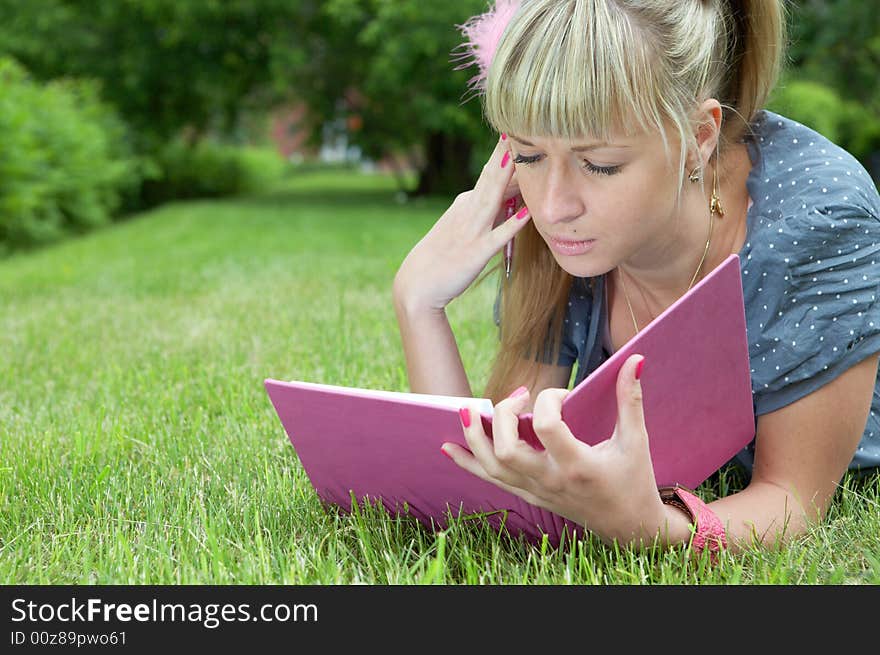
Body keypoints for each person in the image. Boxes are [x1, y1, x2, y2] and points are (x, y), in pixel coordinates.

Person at [392, 0, 880, 557]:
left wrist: (653, 530)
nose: (555, 206)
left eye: (600, 165)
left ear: (699, 136)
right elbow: (496, 485)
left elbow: (792, 497)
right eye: (527, 154)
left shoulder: (817, 222)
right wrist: (418, 304)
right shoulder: (556, 227)